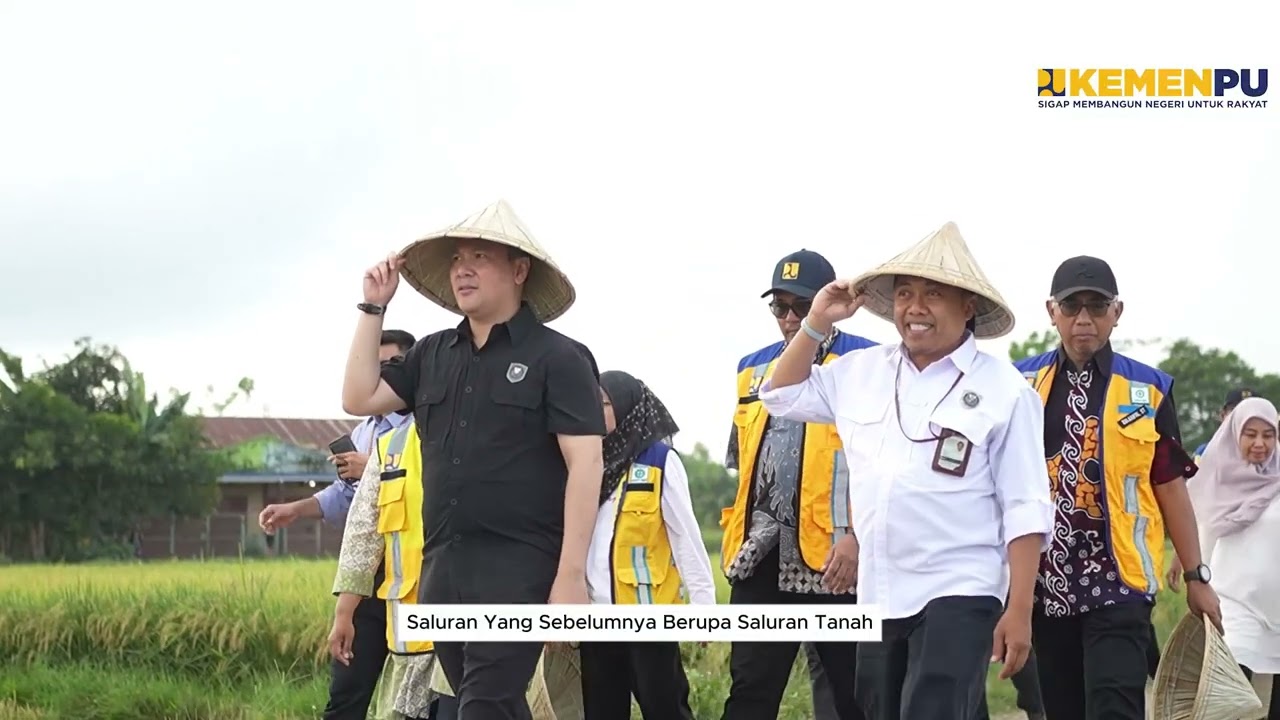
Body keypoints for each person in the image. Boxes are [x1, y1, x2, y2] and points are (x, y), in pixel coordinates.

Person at [759, 222, 1053, 720]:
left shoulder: (1006, 391)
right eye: (905, 294)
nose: (915, 308)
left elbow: (1026, 505)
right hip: (882, 591)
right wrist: (815, 323)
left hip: (964, 587)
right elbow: (780, 395)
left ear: (968, 309)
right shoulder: (861, 372)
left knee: (932, 709)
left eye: (933, 295)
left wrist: (1019, 608)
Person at [340, 199, 606, 720]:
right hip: (442, 569)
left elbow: (586, 466)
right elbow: (358, 397)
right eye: (458, 258)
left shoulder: (560, 358)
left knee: (484, 708)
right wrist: (373, 308)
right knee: (488, 705)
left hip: (520, 569)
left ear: (519, 270)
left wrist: (570, 577)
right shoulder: (432, 355)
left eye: (479, 256)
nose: (462, 268)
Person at [1014, 255, 1223, 720]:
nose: (1083, 320)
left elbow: (1170, 488)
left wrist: (1195, 576)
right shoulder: (1018, 382)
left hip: (1120, 582)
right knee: (1060, 709)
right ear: (1052, 311)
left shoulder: (1149, 388)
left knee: (1115, 706)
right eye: (1071, 308)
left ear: (1116, 312)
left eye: (1096, 307)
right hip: (1045, 584)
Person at [719, 249, 876, 720]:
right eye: (779, 307)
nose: (790, 319)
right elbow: (742, 461)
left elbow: (882, 463)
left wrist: (857, 537)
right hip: (761, 554)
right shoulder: (752, 367)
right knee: (749, 693)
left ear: (827, 304)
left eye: (801, 307)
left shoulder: (866, 363)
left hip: (837, 561)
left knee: (855, 698)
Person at [259, 329, 415, 720]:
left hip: (416, 575)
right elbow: (348, 496)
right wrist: (295, 508)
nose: (379, 376)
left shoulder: (425, 425)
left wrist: (378, 468)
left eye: (389, 367)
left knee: (416, 697)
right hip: (368, 578)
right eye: (372, 367)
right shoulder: (366, 429)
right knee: (346, 693)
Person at [579, 370, 716, 720]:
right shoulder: (587, 459)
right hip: (597, 618)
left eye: (604, 403)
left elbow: (686, 537)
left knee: (665, 708)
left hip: (649, 617)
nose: (596, 411)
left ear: (625, 407)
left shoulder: (659, 460)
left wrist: (704, 608)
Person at [329, 420, 457, 720]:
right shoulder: (390, 449)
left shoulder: (488, 436)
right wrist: (344, 613)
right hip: (410, 636)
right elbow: (362, 535)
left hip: (471, 630)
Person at [1188, 396, 1280, 718]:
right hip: (1233, 601)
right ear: (1234, 433)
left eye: (1268, 435)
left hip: (1277, 603)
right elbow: (1199, 532)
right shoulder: (1213, 480)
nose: (1259, 443)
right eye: (1250, 434)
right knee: (1227, 695)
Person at [1193, 388, 1256, 463]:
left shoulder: (1268, 454)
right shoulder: (1205, 452)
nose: (1243, 416)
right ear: (1223, 415)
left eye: (1250, 411)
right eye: (1234, 410)